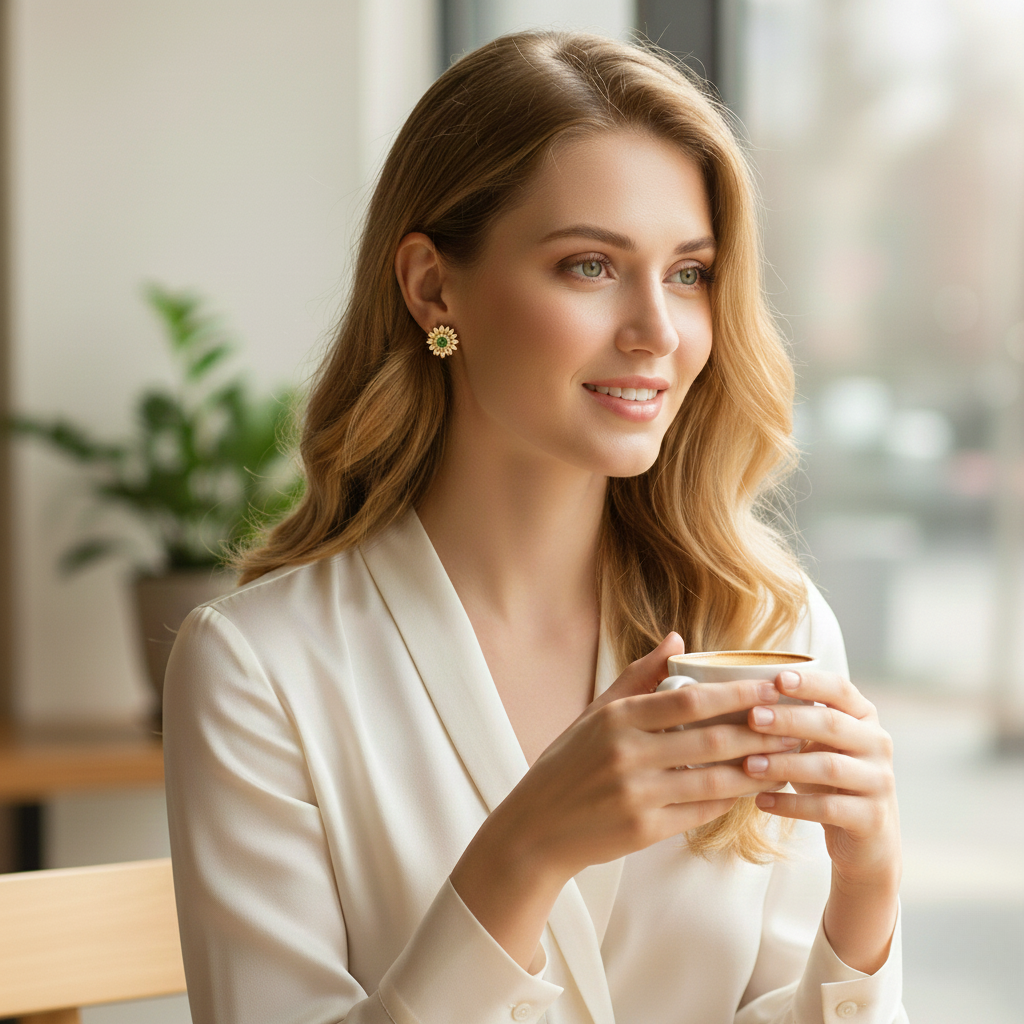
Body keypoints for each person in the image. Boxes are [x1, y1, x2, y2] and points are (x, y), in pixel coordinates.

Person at [163, 30, 907, 1024]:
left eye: (688, 273)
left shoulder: (768, 627)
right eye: (590, 265)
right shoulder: (259, 669)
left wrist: (869, 892)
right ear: (432, 286)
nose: (657, 331)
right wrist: (527, 851)